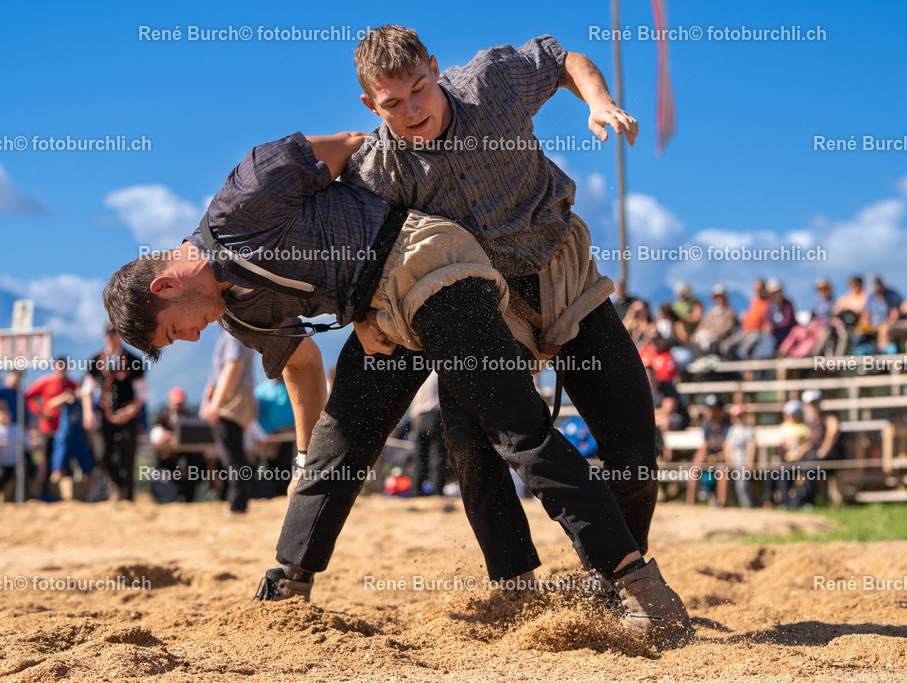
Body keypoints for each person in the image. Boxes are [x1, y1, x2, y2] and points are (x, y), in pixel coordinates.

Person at [102, 130, 691, 646]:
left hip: (424, 261)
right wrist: (306, 463)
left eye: (174, 330)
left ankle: (637, 585)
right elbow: (306, 369)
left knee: (514, 425)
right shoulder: (242, 317)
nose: (191, 338)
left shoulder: (248, 191)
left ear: (163, 285)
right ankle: (288, 587)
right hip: (384, 316)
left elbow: (362, 145)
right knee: (341, 441)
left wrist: (370, 246)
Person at [343, 27, 665, 605]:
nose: (414, 110)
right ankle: (514, 587)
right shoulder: (375, 172)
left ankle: (619, 578)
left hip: (561, 271)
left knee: (636, 446)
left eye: (421, 88)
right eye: (393, 103)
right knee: (472, 446)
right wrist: (359, 314)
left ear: (436, 68)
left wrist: (599, 102)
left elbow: (567, 60)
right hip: (481, 303)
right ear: (371, 104)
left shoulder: (490, 82)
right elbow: (347, 250)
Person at [81, 325, 147, 501]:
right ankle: (119, 486)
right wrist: (88, 412)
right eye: (109, 335)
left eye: (114, 335)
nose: (111, 339)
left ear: (121, 337)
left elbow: (141, 394)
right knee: (102, 454)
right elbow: (87, 390)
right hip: (105, 414)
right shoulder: (96, 360)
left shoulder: (134, 360)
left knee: (127, 457)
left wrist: (130, 411)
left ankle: (127, 497)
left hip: (128, 416)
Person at [202, 328, 258, 513]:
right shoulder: (232, 330)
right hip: (233, 396)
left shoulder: (233, 331)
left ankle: (237, 504)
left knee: (233, 456)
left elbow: (234, 364)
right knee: (234, 454)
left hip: (231, 398)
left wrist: (216, 402)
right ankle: (238, 502)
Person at [24, 357, 76, 499]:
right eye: (59, 367)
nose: (61, 370)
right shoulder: (46, 382)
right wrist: (40, 411)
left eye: (64, 367)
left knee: (65, 460)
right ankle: (45, 491)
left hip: (66, 430)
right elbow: (28, 396)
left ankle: (64, 493)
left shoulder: (72, 385)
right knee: (46, 460)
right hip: (48, 429)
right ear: (55, 367)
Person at [150, 387, 203, 503]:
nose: (179, 406)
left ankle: (189, 497)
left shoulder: (191, 418)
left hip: (188, 461)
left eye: (181, 403)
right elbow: (156, 437)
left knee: (196, 463)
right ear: (170, 403)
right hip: (168, 460)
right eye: (177, 403)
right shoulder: (163, 419)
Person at [254, 376, 298, 498]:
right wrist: (268, 433)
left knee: (286, 464)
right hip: (268, 436)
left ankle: (284, 492)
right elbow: (259, 413)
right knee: (272, 466)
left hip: (289, 434)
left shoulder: (292, 386)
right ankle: (277, 492)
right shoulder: (261, 390)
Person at [800, 389, 844, 507]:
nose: (814, 406)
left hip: (832, 456)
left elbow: (833, 430)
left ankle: (810, 501)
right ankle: (793, 501)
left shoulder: (828, 417)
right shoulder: (812, 422)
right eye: (811, 403)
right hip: (816, 457)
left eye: (816, 402)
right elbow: (811, 442)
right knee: (794, 465)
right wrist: (799, 452)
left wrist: (825, 449)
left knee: (808, 467)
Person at [407, 372, 448, 497]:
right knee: (437, 456)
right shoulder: (439, 372)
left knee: (419, 458)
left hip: (417, 418)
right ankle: (437, 493)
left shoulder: (419, 373)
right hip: (434, 416)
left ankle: (415, 493)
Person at [685, 395, 730, 505]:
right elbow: (704, 447)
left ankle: (721, 503)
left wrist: (713, 458)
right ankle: (690, 503)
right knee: (695, 467)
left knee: (722, 469)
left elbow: (728, 451)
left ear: (719, 410)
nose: (707, 411)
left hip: (724, 458)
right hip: (712, 458)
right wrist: (699, 460)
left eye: (711, 409)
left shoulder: (727, 426)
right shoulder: (708, 426)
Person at [719, 279, 769, 360]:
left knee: (743, 350)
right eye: (755, 289)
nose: (757, 291)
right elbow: (750, 316)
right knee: (725, 346)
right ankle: (735, 368)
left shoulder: (769, 303)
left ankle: (744, 367)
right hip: (744, 331)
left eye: (759, 289)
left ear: (764, 289)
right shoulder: (754, 302)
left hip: (757, 333)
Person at [723, 404, 757, 508]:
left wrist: (749, 462)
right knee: (737, 485)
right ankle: (738, 504)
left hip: (744, 463)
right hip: (735, 463)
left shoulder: (749, 430)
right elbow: (727, 446)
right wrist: (729, 460)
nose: (738, 419)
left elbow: (751, 446)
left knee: (742, 486)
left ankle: (747, 505)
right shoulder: (733, 430)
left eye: (740, 416)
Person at [691, 285, 737, 356]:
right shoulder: (711, 312)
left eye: (720, 297)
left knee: (710, 344)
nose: (718, 299)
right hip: (707, 337)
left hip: (721, 339)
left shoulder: (730, 311)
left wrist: (713, 334)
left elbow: (727, 328)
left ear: (725, 298)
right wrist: (699, 334)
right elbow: (702, 325)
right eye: (716, 297)